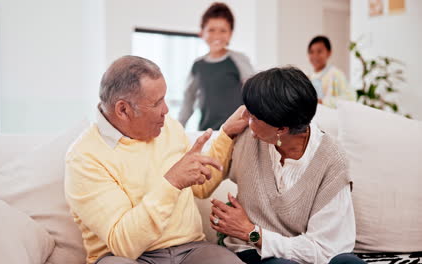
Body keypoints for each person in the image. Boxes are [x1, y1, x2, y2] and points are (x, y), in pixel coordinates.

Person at [64, 55, 249, 264]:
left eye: (165, 98)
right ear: (123, 110)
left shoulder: (167, 126)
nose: (166, 110)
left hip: (191, 250)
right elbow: (125, 244)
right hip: (126, 258)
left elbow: (201, 187)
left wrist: (226, 134)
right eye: (156, 103)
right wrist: (172, 182)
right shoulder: (84, 158)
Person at [207, 67, 366, 264]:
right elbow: (202, 183)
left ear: (281, 129)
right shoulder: (246, 136)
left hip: (308, 253)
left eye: (254, 117)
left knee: (348, 263)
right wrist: (225, 132)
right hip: (253, 253)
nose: (244, 116)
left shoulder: (331, 161)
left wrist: (252, 232)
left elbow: (325, 250)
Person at [178, 2, 254, 130]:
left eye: (223, 30)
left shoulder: (239, 59)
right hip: (208, 131)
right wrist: (178, 128)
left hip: (238, 131)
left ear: (230, 34)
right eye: (211, 30)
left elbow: (254, 94)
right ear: (202, 32)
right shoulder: (198, 65)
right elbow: (188, 99)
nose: (217, 36)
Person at [308, 35, 356, 108]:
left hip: (331, 117)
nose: (315, 55)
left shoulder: (336, 74)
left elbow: (351, 98)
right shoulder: (309, 78)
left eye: (319, 51)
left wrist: (323, 102)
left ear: (329, 53)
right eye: (311, 52)